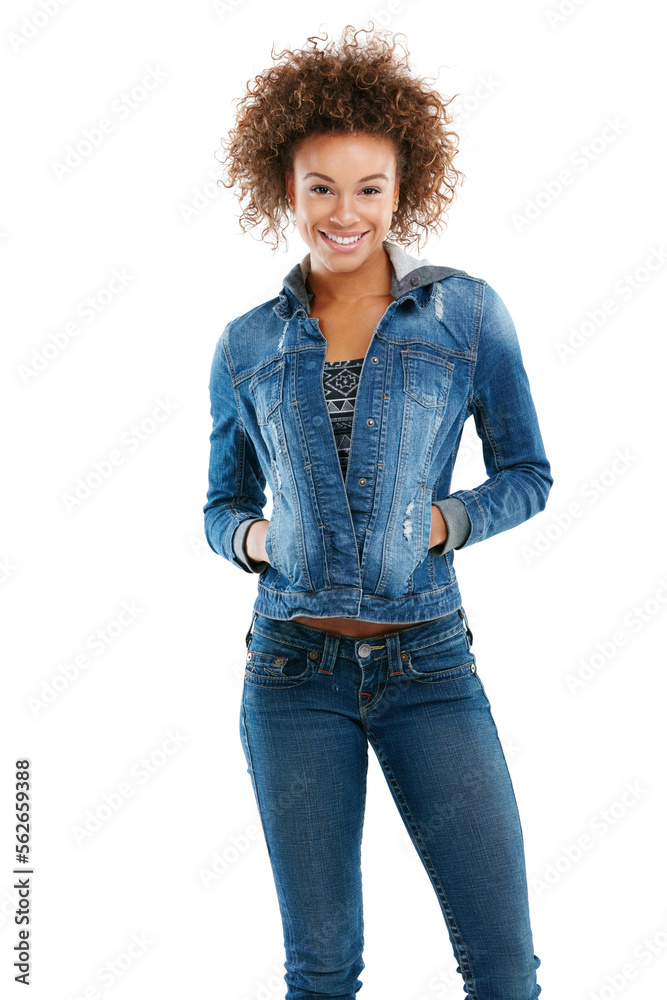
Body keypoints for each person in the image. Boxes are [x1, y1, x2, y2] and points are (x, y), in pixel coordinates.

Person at [204, 24, 552, 1000]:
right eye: (321, 187)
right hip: (289, 674)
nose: (344, 212)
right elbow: (218, 502)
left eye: (369, 188)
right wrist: (251, 538)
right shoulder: (244, 344)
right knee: (320, 972)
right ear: (287, 189)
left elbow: (527, 471)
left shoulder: (467, 315)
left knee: (502, 968)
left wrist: (446, 522)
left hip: (429, 667)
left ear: (404, 191)